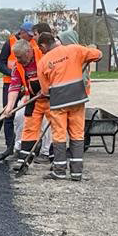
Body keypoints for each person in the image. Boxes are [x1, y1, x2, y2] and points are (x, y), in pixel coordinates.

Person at [36, 31, 102, 181]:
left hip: (59, 103)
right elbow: (98, 55)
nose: (41, 51)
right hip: (77, 100)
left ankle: (59, 171)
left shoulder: (43, 62)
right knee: (77, 134)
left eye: (40, 48)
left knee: (59, 135)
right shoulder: (74, 49)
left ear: (44, 45)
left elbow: (46, 91)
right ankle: (77, 173)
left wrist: (45, 91)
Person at [3, 39, 49, 171]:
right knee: (20, 119)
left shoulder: (43, 56)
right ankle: (22, 153)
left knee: (50, 125)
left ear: (29, 52)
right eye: (16, 57)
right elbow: (14, 86)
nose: (17, 59)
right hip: (33, 97)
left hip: (50, 97)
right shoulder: (18, 66)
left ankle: (47, 154)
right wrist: (10, 105)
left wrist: (46, 89)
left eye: (20, 56)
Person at [0, 23, 36, 157]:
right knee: (9, 114)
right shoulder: (9, 43)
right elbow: (0, 63)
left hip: (26, 84)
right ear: (22, 32)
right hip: (11, 84)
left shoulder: (32, 45)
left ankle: (25, 145)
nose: (31, 37)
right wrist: (12, 73)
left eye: (32, 35)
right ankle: (10, 146)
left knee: (24, 115)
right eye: (29, 35)